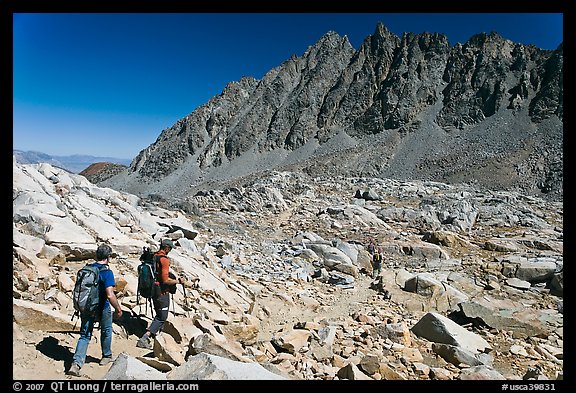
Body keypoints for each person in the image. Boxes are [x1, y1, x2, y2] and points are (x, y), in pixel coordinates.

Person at [67, 244, 123, 376]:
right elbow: (110, 294)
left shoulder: (87, 269)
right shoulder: (106, 272)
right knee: (106, 330)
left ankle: (76, 364)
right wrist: (118, 309)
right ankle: (106, 356)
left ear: (97, 255)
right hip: (102, 307)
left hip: (86, 306)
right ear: (108, 257)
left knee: (85, 335)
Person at [136, 238, 183, 349]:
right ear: (166, 248)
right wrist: (178, 281)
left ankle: (158, 337)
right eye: (170, 248)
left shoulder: (153, 256)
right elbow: (165, 280)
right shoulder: (164, 260)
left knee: (158, 313)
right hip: (161, 292)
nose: (170, 250)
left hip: (152, 289)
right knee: (162, 317)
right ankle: (145, 338)